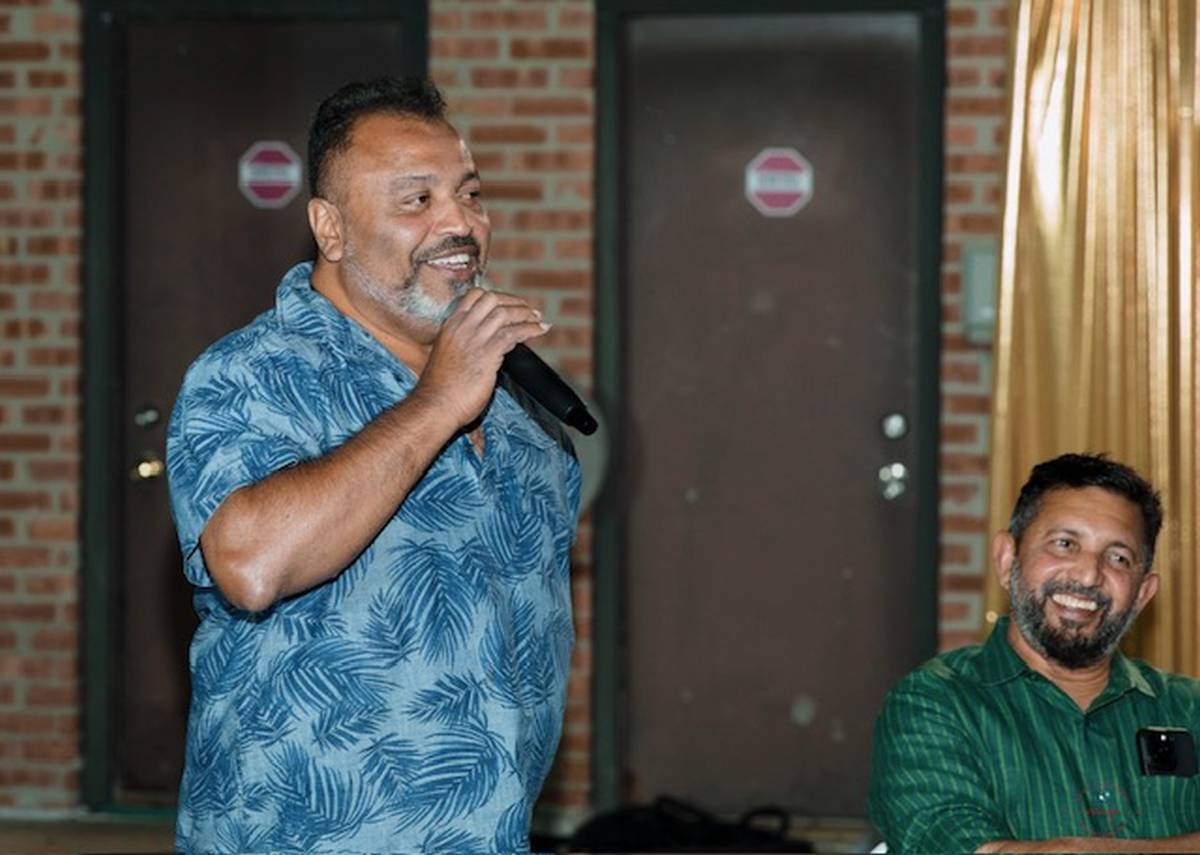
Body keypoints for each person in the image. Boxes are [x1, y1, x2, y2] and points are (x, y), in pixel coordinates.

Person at [165, 76, 581, 853]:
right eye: (417, 199)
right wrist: (438, 402)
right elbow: (250, 563)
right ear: (330, 227)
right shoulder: (251, 374)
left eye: (470, 194)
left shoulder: (522, 413)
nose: (460, 223)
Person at [869, 453, 1200, 853]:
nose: (1088, 575)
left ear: (1143, 593)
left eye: (1118, 558)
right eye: (1065, 544)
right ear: (1007, 560)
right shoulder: (937, 703)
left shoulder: (1189, 709)